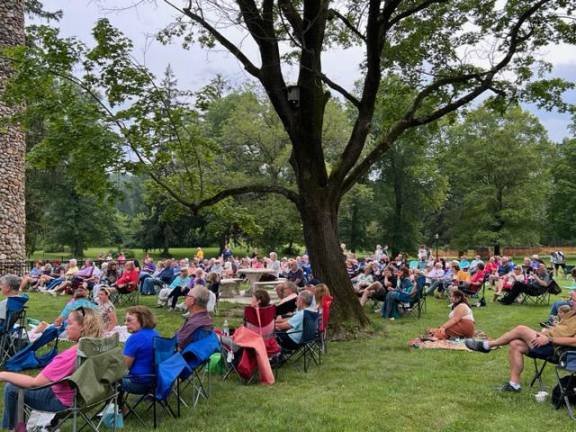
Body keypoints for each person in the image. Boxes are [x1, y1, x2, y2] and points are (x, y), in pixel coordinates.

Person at [1, 308, 103, 430]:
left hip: (65, 402)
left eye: (70, 324)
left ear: (83, 327)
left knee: (12, 388)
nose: (66, 328)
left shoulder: (71, 355)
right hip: (91, 397)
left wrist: (2, 375)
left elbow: (35, 383)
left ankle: (14, 429)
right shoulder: (98, 346)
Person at [465, 301, 576, 392]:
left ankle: (488, 345)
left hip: (561, 351)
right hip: (550, 343)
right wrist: (548, 331)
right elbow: (562, 330)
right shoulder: (572, 313)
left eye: (574, 300)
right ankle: (514, 385)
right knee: (515, 344)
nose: (571, 303)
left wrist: (549, 338)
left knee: (521, 329)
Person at [119, 306, 159, 409]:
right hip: (156, 380)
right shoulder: (155, 333)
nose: (125, 323)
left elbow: (124, 367)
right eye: (125, 320)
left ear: (142, 320)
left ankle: (119, 410)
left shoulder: (135, 338)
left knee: (107, 379)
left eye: (129, 320)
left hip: (139, 383)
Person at [176, 286, 213, 350]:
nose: (185, 297)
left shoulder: (194, 323)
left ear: (192, 300)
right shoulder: (206, 317)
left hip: (185, 357)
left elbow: (177, 343)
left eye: (187, 295)